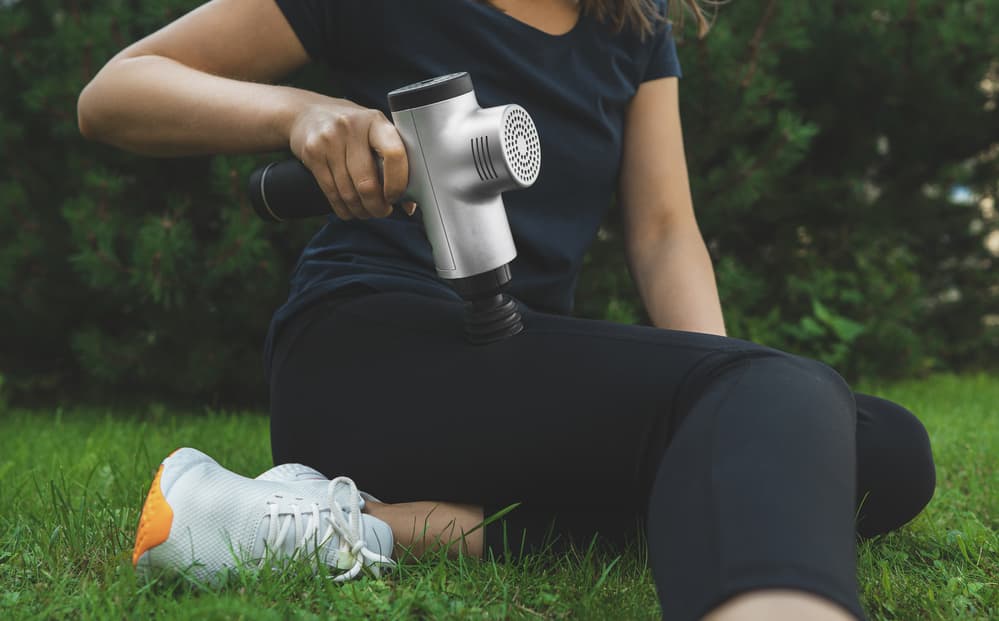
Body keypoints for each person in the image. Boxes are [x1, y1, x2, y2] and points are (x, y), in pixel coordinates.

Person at [77, 1, 937, 619]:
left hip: (517, 367)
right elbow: (115, 92)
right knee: (772, 407)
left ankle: (365, 528)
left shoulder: (631, 26)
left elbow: (666, 230)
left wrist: (717, 401)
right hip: (366, 355)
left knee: (884, 450)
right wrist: (301, 112)